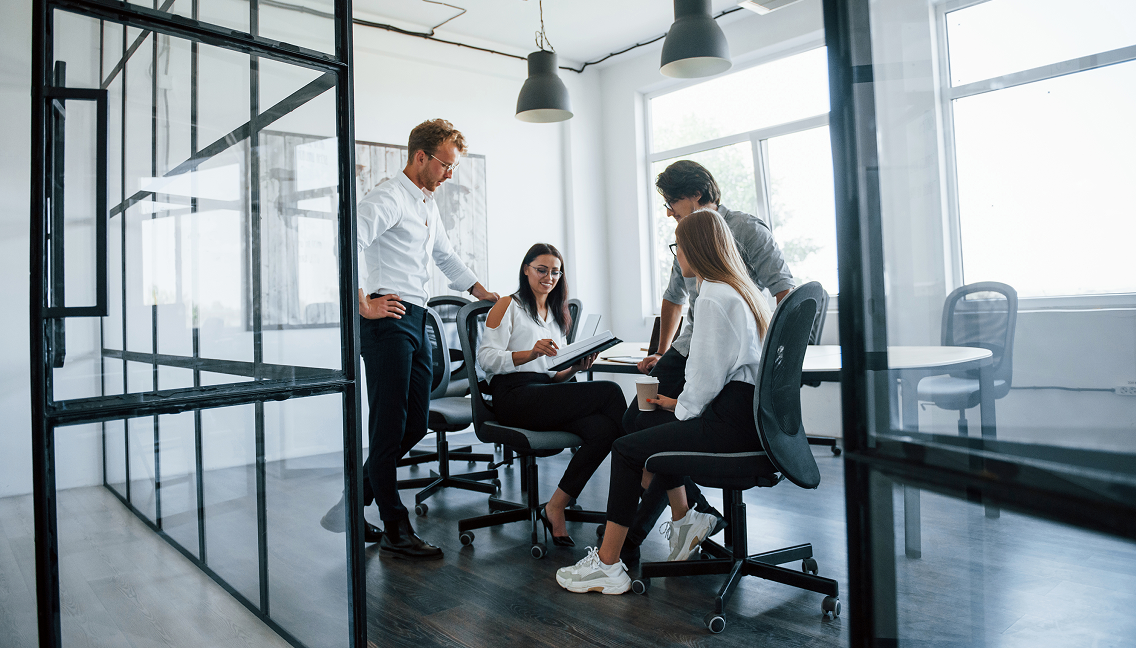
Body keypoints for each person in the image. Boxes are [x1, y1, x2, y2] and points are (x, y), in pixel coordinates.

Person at [555, 209, 773, 594]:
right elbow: (719, 377)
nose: (677, 255)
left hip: (730, 425)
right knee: (642, 420)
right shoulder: (743, 291)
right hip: (750, 418)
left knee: (625, 449)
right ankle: (685, 515)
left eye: (678, 247)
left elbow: (704, 380)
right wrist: (677, 406)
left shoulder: (712, 297)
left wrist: (683, 409)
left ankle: (607, 565)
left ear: (693, 248)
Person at [321, 119, 499, 561]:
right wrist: (362, 304)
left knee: (414, 422)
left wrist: (483, 294)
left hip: (417, 320)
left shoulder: (426, 204)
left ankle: (353, 500)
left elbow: (445, 256)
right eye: (445, 164)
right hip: (388, 320)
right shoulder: (387, 196)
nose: (449, 174)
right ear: (421, 157)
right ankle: (395, 526)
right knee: (387, 425)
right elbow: (345, 241)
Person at [619, 160, 795, 565]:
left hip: (728, 355)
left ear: (696, 195)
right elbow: (674, 297)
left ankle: (633, 536)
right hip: (689, 348)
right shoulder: (687, 236)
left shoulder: (746, 229)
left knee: (657, 430)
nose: (668, 211)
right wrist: (662, 351)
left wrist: (776, 362)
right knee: (638, 419)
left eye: (671, 201)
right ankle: (693, 515)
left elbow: (785, 292)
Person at [478, 244, 627, 546]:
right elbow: (486, 358)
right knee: (610, 391)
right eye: (542, 270)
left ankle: (556, 505)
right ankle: (646, 480)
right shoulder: (507, 305)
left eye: (555, 272)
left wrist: (574, 367)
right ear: (526, 269)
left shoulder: (556, 314)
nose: (549, 277)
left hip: (544, 392)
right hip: (513, 395)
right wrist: (529, 352)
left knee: (603, 429)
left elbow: (552, 373)